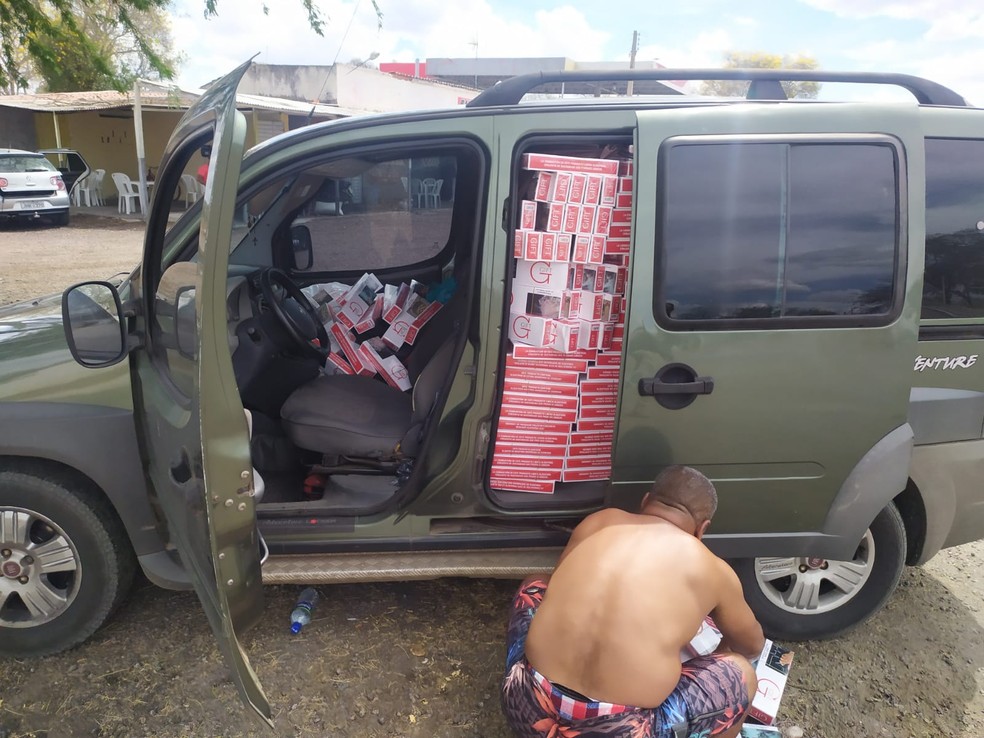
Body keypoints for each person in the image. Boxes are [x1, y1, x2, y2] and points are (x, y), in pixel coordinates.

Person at [501, 465, 765, 738]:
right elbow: (751, 645)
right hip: (620, 731)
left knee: (535, 582)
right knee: (741, 673)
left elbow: (564, 590)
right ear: (702, 528)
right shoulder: (712, 568)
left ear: (645, 502)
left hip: (525, 705)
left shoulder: (598, 522)